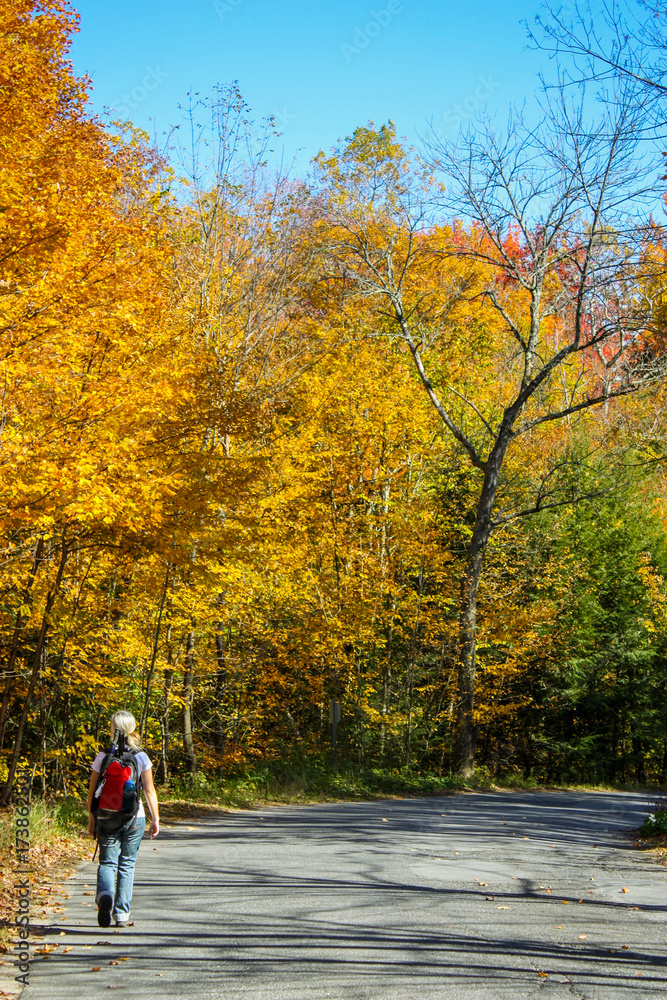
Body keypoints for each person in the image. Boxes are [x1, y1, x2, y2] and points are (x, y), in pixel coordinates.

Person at [86, 710, 160, 928]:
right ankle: (121, 914)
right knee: (127, 863)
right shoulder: (141, 757)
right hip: (134, 818)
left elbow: (92, 792)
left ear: (113, 728)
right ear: (132, 728)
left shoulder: (103, 756)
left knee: (108, 861)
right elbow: (149, 790)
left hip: (106, 816)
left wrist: (91, 818)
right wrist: (155, 818)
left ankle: (105, 896)